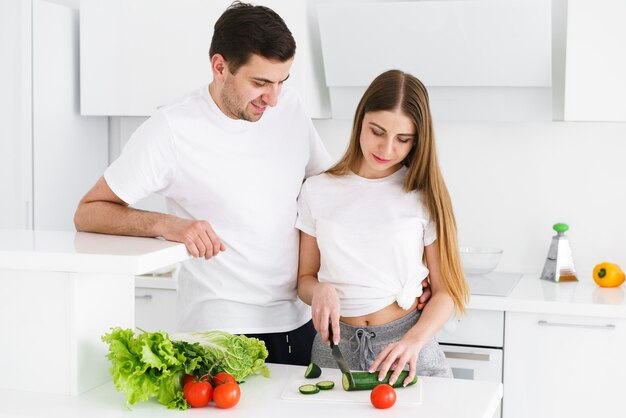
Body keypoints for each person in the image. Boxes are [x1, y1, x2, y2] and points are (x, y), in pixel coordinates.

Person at [296, 69, 469, 384]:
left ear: (418, 141)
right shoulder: (317, 190)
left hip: (406, 349)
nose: (386, 149)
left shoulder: (423, 194)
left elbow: (446, 293)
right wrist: (319, 290)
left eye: (403, 139)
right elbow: (304, 279)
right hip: (334, 351)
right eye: (377, 131)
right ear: (360, 120)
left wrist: (414, 341)